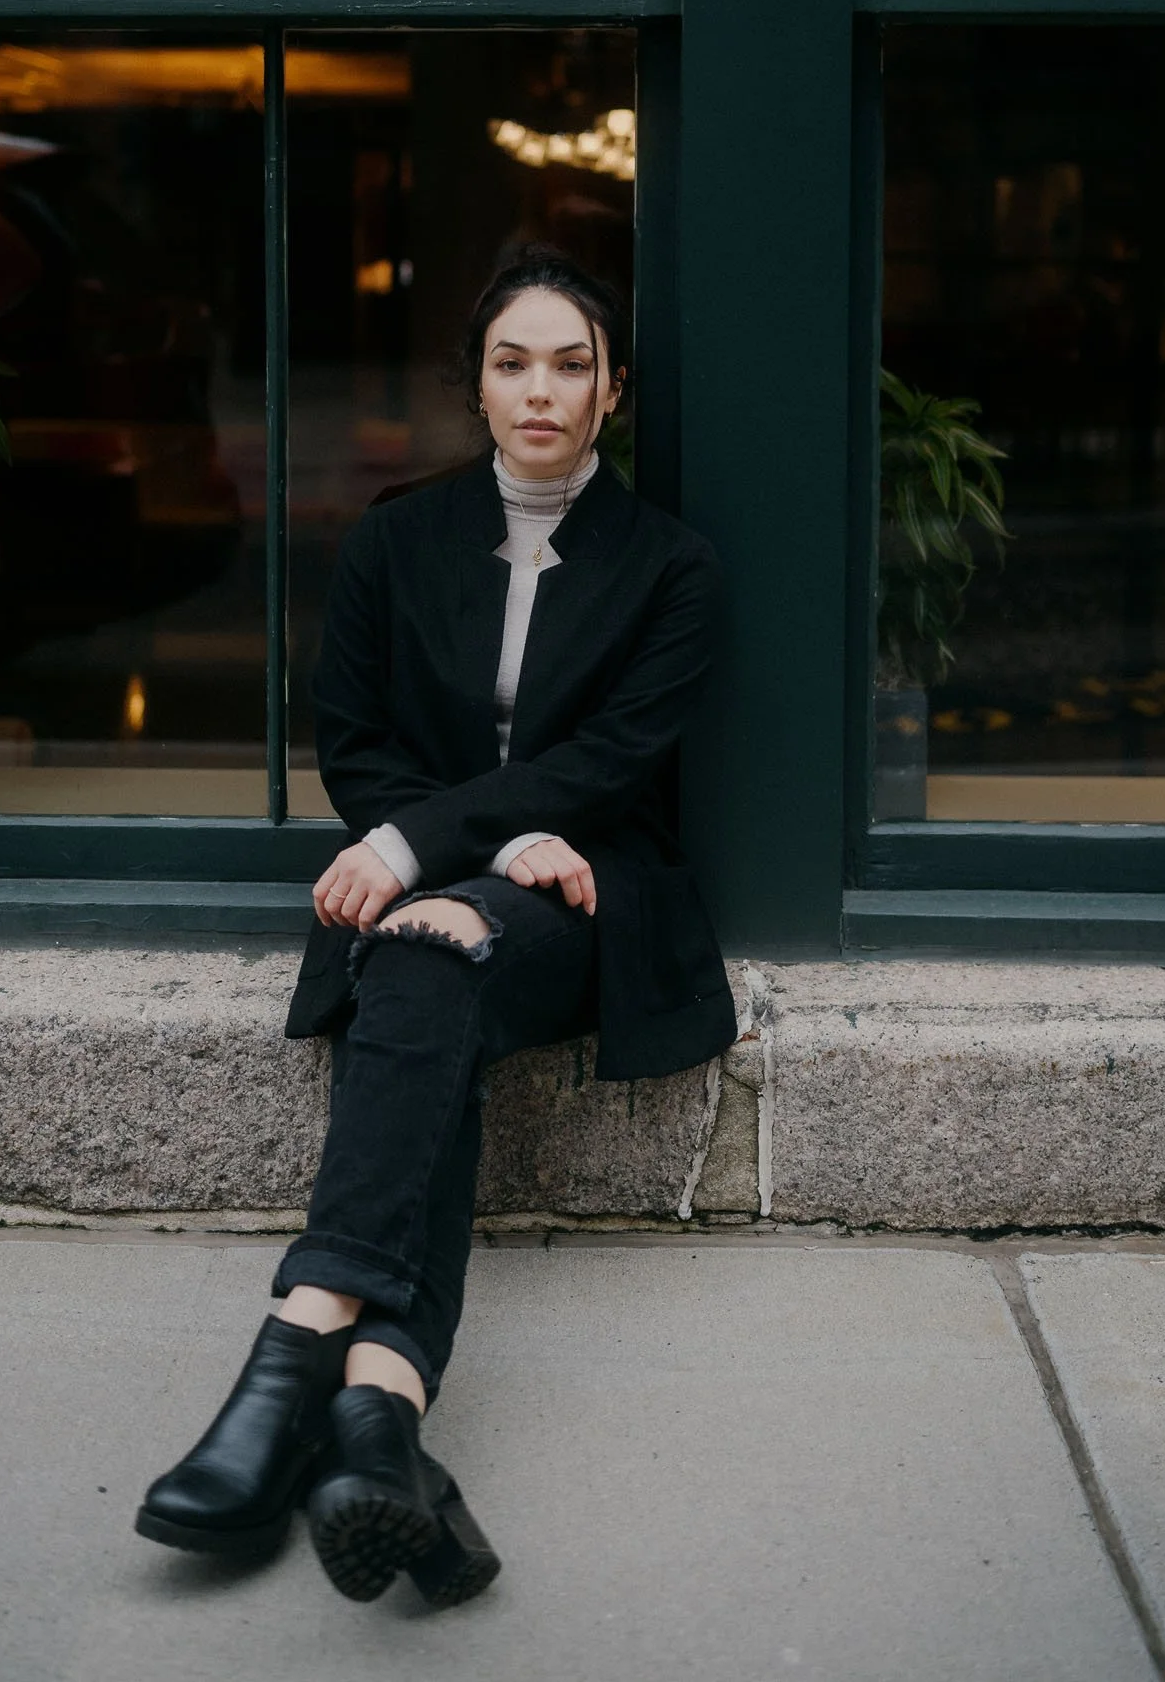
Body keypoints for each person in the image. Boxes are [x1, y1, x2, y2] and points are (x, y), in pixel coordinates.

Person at [136, 244, 736, 1607]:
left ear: (613, 391)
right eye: (511, 362)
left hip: (588, 892)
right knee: (426, 963)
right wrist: (457, 851)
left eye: (570, 365)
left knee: (431, 947)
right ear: (474, 386)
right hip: (435, 893)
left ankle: (286, 1358)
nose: (540, 390)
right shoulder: (394, 540)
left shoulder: (673, 570)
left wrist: (465, 843)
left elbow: (613, 765)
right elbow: (356, 742)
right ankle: (377, 1420)